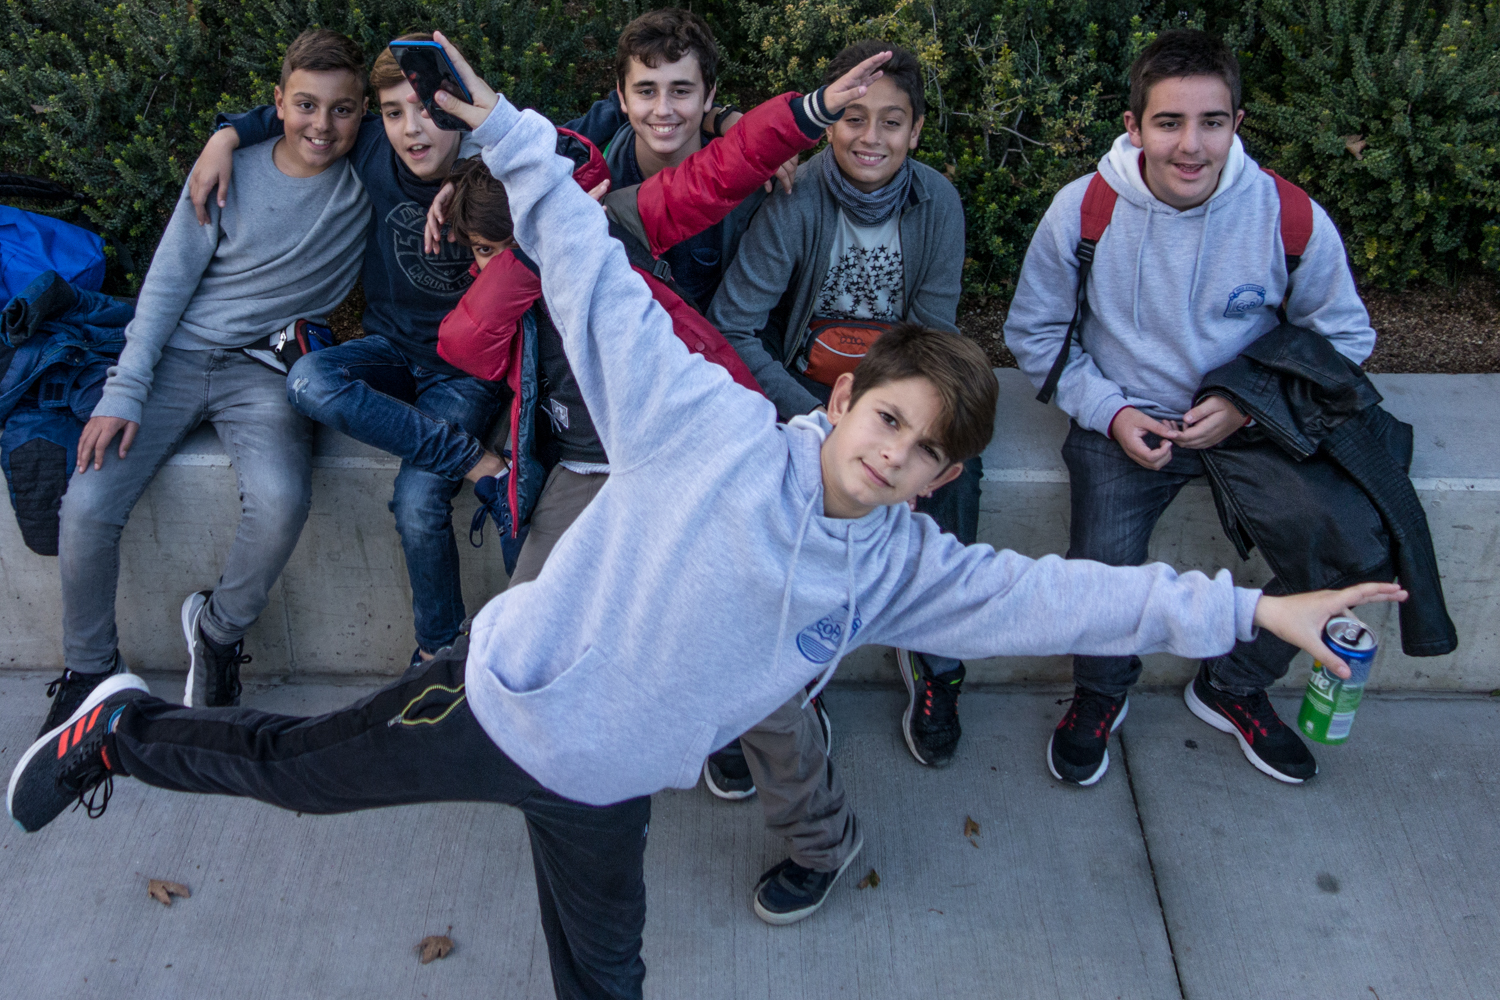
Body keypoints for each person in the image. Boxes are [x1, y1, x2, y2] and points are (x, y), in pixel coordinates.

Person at [9, 35, 1405, 1000]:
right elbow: (587, 262)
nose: (896, 459)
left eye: (926, 456)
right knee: (290, 775)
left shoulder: (903, 572)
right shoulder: (708, 427)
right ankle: (114, 731)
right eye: (889, 422)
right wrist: (504, 130)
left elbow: (1078, 595)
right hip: (497, 709)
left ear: (937, 480)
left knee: (608, 974)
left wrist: (1259, 607)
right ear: (845, 399)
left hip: (608, 789)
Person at [1004, 29, 1381, 787]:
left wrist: (1248, 404)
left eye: (1211, 122)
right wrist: (1110, 412)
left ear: (1236, 123)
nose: (1190, 145)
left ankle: (1233, 684)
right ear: (1134, 125)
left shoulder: (1287, 214)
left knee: (1347, 549)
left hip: (1252, 422)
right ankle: (1101, 693)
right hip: (1126, 416)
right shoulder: (1085, 208)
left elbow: (1347, 337)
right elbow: (1034, 332)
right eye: (1169, 122)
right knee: (1100, 569)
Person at [704, 38, 970, 923]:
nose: (870, 136)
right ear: (828, 121)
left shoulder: (938, 204)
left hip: (894, 399)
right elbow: (735, 327)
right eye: (853, 116)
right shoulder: (796, 194)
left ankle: (934, 662)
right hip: (800, 393)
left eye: (892, 121)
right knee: (770, 529)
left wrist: (893, 429)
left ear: (916, 131)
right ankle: (772, 700)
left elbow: (934, 338)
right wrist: (820, 420)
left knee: (954, 481)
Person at [39, 29, 370, 732]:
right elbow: (164, 287)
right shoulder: (230, 170)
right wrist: (125, 390)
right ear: (277, 102)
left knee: (281, 498)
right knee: (87, 503)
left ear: (363, 113)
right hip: (179, 357)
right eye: (305, 105)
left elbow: (445, 142)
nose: (322, 125)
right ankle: (89, 673)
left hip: (266, 373)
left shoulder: (369, 172)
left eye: (342, 109)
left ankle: (217, 631)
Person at [188, 33, 508, 670]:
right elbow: (301, 115)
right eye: (392, 112)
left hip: (464, 373)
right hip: (389, 348)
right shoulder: (369, 146)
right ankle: (476, 462)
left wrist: (470, 174)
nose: (412, 129)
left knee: (417, 502)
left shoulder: (496, 166)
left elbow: (573, 148)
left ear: (457, 105)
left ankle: (437, 657)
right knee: (308, 380)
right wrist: (225, 135)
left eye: (428, 109)